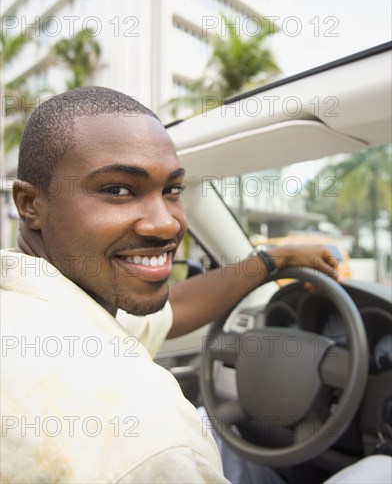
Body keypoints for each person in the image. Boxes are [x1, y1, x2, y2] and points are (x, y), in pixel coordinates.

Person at [1, 87, 389, 483]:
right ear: (30, 205)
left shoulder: (33, 302)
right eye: (117, 189)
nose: (167, 224)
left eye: (171, 190)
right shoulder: (152, 437)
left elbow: (174, 311)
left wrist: (275, 259)